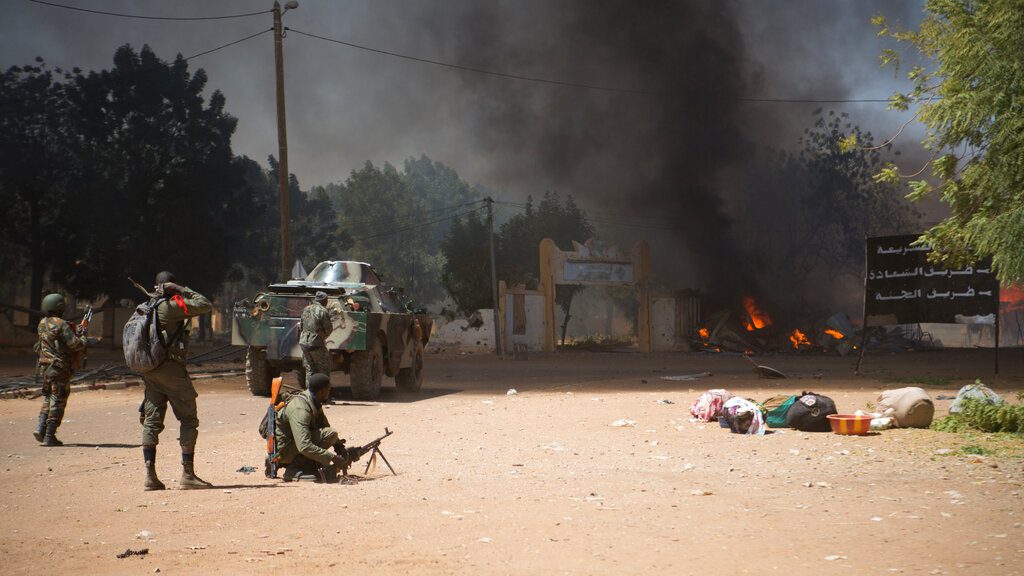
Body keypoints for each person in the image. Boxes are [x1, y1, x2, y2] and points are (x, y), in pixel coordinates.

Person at [140, 271, 212, 491]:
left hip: (151, 371)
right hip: (172, 371)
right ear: (169, 287)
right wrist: (181, 289)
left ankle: (150, 477)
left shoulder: (145, 307)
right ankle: (187, 475)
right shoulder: (170, 308)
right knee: (189, 420)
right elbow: (205, 303)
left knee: (152, 422)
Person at [275, 372, 356, 482]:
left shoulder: (313, 401)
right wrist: (331, 457)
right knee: (330, 434)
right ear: (322, 391)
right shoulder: (300, 409)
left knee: (330, 435)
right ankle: (294, 470)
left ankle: (309, 464)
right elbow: (303, 445)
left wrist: (339, 447)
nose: (329, 392)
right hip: (284, 452)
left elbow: (324, 426)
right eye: (328, 389)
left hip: (294, 445)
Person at [33, 293, 87, 446]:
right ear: (60, 307)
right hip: (59, 368)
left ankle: (41, 428)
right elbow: (75, 345)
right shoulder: (62, 324)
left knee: (49, 397)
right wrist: (83, 337)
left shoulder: (42, 323)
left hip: (45, 367)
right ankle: (50, 436)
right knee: (58, 399)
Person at [298, 291, 333, 388]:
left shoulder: (306, 309)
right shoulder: (323, 311)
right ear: (325, 301)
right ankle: (324, 394)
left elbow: (301, 326)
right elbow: (329, 329)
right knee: (324, 369)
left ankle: (310, 394)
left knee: (310, 370)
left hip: (304, 343)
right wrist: (323, 337)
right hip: (316, 344)